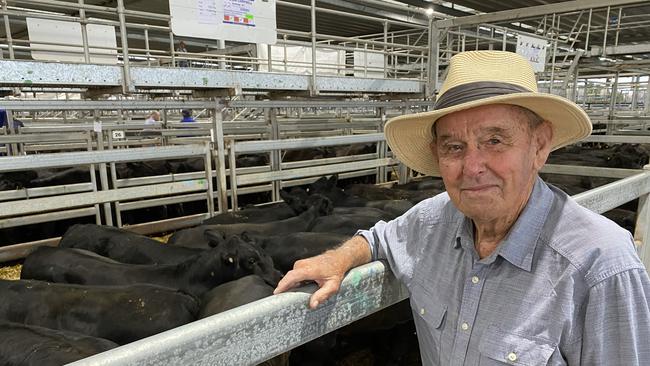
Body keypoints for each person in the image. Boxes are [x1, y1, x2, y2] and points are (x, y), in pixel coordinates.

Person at [274, 51, 650, 365]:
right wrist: (335, 260)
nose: (472, 168)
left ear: (539, 145)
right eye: (454, 147)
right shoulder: (433, 220)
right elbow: (377, 238)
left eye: (495, 140)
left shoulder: (602, 268)